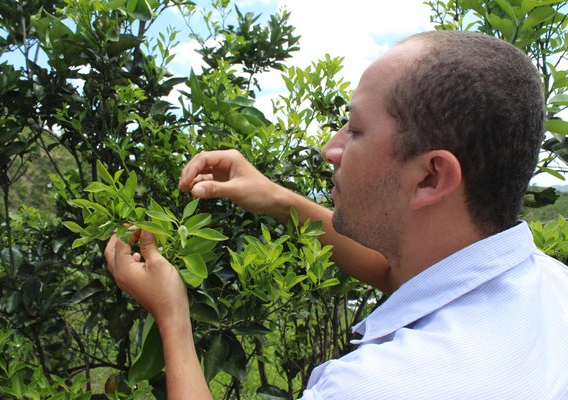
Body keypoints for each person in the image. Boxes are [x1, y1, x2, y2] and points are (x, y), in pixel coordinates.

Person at [104, 30, 568, 399]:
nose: (331, 148)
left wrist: (172, 316)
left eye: (358, 129)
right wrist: (275, 197)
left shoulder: (376, 387)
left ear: (431, 177)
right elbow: (404, 276)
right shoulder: (550, 286)